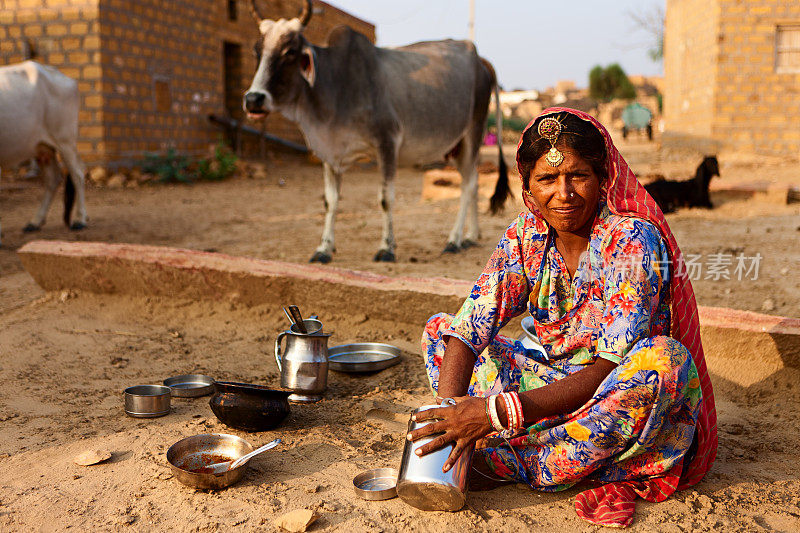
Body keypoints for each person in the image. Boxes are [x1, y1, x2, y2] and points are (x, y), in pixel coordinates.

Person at [409, 108, 717, 528]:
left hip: (609, 393)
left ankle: (512, 462)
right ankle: (536, 446)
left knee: (663, 363)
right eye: (548, 179)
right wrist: (451, 418)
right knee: (440, 332)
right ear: (529, 187)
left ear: (602, 178)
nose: (564, 193)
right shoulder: (526, 235)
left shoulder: (630, 241)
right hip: (549, 387)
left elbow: (610, 367)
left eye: (578, 176)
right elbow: (469, 329)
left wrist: (495, 415)